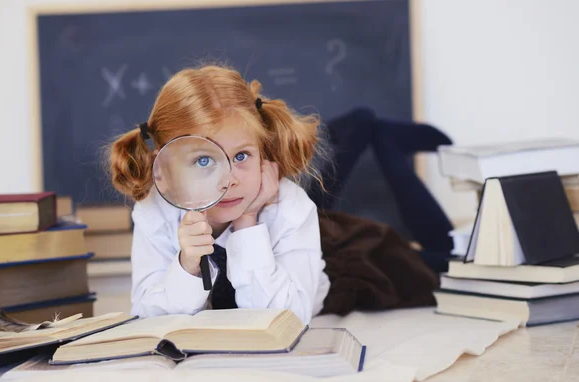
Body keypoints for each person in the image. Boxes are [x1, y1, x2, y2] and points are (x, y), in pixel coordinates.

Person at [108, 65, 438, 324]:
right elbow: (146, 315)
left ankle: (384, 143)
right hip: (287, 230)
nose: (230, 180)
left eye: (241, 157)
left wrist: (248, 224)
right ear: (163, 171)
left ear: (263, 154)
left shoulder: (289, 207)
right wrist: (186, 265)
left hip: (345, 260)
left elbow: (286, 318)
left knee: (434, 265)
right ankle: (362, 128)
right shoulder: (155, 210)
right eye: (204, 160)